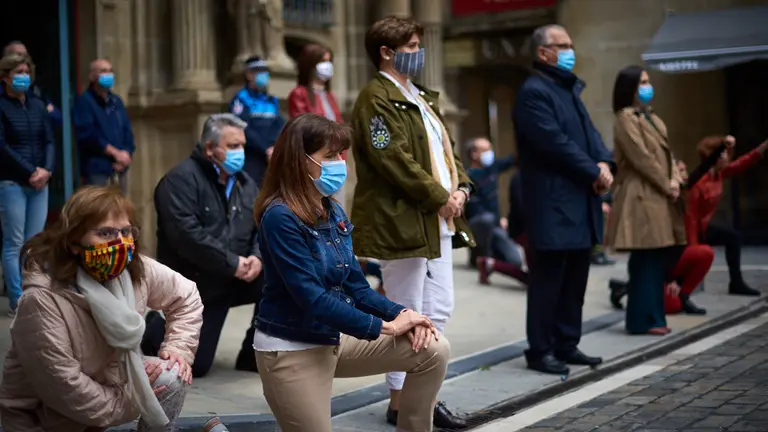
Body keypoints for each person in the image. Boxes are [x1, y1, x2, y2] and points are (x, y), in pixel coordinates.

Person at [253, 113, 450, 432]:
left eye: (341, 154)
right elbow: (312, 298)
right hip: (291, 348)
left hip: (333, 337)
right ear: (300, 161)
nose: (340, 163)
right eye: (330, 156)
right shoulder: (280, 217)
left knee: (433, 349)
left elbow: (357, 287)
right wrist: (385, 327)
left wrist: (403, 314)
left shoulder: (332, 210)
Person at [350, 16, 474, 428]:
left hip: (438, 218)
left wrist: (462, 188)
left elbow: (447, 151)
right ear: (387, 52)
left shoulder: (421, 96)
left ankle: (424, 398)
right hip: (402, 219)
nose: (419, 54)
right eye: (412, 47)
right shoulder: (375, 98)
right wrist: (440, 196)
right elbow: (393, 158)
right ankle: (400, 402)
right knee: (407, 312)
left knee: (440, 307)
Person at [0, 186, 203, 431]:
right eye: (105, 233)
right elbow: (67, 389)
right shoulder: (42, 299)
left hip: (106, 382)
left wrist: (178, 348)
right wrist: (135, 398)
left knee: (172, 374)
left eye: (126, 232)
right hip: (46, 420)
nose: (119, 243)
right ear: (74, 242)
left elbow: (186, 295)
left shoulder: (133, 269)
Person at [513, 25, 612, 375]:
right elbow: (554, 142)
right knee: (548, 282)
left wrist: (604, 163)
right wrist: (594, 171)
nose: (571, 51)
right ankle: (541, 351)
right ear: (544, 53)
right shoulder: (533, 92)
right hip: (552, 203)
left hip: (579, 200)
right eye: (564, 45)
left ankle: (567, 344)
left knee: (575, 280)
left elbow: (591, 136)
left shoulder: (569, 89)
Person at [143, 113, 263, 377]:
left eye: (242, 146)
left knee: (280, 277)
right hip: (200, 284)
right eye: (233, 146)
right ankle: (154, 328)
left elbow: (260, 226)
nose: (240, 153)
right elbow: (187, 237)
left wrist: (256, 257)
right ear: (210, 148)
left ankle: (253, 354)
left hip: (236, 275)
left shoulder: (245, 183)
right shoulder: (179, 181)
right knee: (196, 365)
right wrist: (232, 263)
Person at [606, 65, 687, 336]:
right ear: (630, 88)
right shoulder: (625, 119)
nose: (647, 87)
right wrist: (666, 183)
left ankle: (653, 317)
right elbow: (641, 158)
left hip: (658, 193)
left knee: (656, 257)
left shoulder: (653, 118)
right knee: (645, 258)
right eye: (642, 82)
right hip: (641, 194)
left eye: (647, 81)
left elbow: (667, 156)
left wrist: (675, 179)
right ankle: (643, 320)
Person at [0, 53, 55, 317]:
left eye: (26, 71)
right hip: (12, 183)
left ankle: (35, 296)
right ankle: (18, 300)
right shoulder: (1, 105)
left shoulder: (37, 104)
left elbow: (49, 140)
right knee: (14, 243)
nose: (24, 76)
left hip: (39, 184)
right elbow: (2, 146)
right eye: (18, 72)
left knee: (34, 244)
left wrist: (46, 170)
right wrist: (30, 171)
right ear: (5, 77)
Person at [685, 136, 767, 296]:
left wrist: (764, 146)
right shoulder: (699, 183)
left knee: (733, 237)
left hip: (704, 227)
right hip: (693, 231)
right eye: (722, 154)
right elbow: (691, 219)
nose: (727, 156)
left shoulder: (720, 173)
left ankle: (736, 283)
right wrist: (693, 249)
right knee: (729, 238)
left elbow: (744, 162)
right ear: (713, 158)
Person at [288, 43, 347, 206]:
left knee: (336, 208)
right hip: (316, 163)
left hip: (334, 162)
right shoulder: (299, 94)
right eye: (322, 61)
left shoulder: (329, 96)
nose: (327, 66)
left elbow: (340, 131)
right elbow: (302, 129)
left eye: (329, 61)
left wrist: (342, 160)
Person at [464, 137, 527, 286]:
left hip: (495, 227)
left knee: (515, 261)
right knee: (485, 220)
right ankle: (477, 254)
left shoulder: (492, 169)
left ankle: (488, 261)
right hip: (476, 225)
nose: (490, 154)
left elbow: (512, 160)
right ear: (474, 154)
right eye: (485, 150)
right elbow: (473, 209)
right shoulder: (468, 176)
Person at [73, 59, 135, 192]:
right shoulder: (84, 102)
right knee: (98, 204)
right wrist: (115, 153)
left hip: (120, 169)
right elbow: (88, 135)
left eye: (110, 71)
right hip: (97, 170)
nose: (108, 74)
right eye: (103, 71)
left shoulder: (116, 101)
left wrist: (126, 154)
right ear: (92, 76)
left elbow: (127, 130)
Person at [609, 244, 713, 315]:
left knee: (705, 253)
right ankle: (628, 288)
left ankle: (683, 297)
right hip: (654, 260)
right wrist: (670, 279)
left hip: (675, 254)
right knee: (672, 306)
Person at [229, 55, 285, 186]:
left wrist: (275, 147)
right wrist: (265, 148)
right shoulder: (241, 99)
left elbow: (279, 125)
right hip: (251, 157)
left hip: (272, 156)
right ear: (248, 74)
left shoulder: (272, 100)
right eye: (259, 71)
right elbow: (242, 127)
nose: (263, 75)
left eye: (265, 71)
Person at [2, 41, 62, 127]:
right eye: (19, 55)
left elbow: (57, 118)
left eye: (25, 56)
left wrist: (42, 112)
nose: (23, 59)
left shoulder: (35, 92)